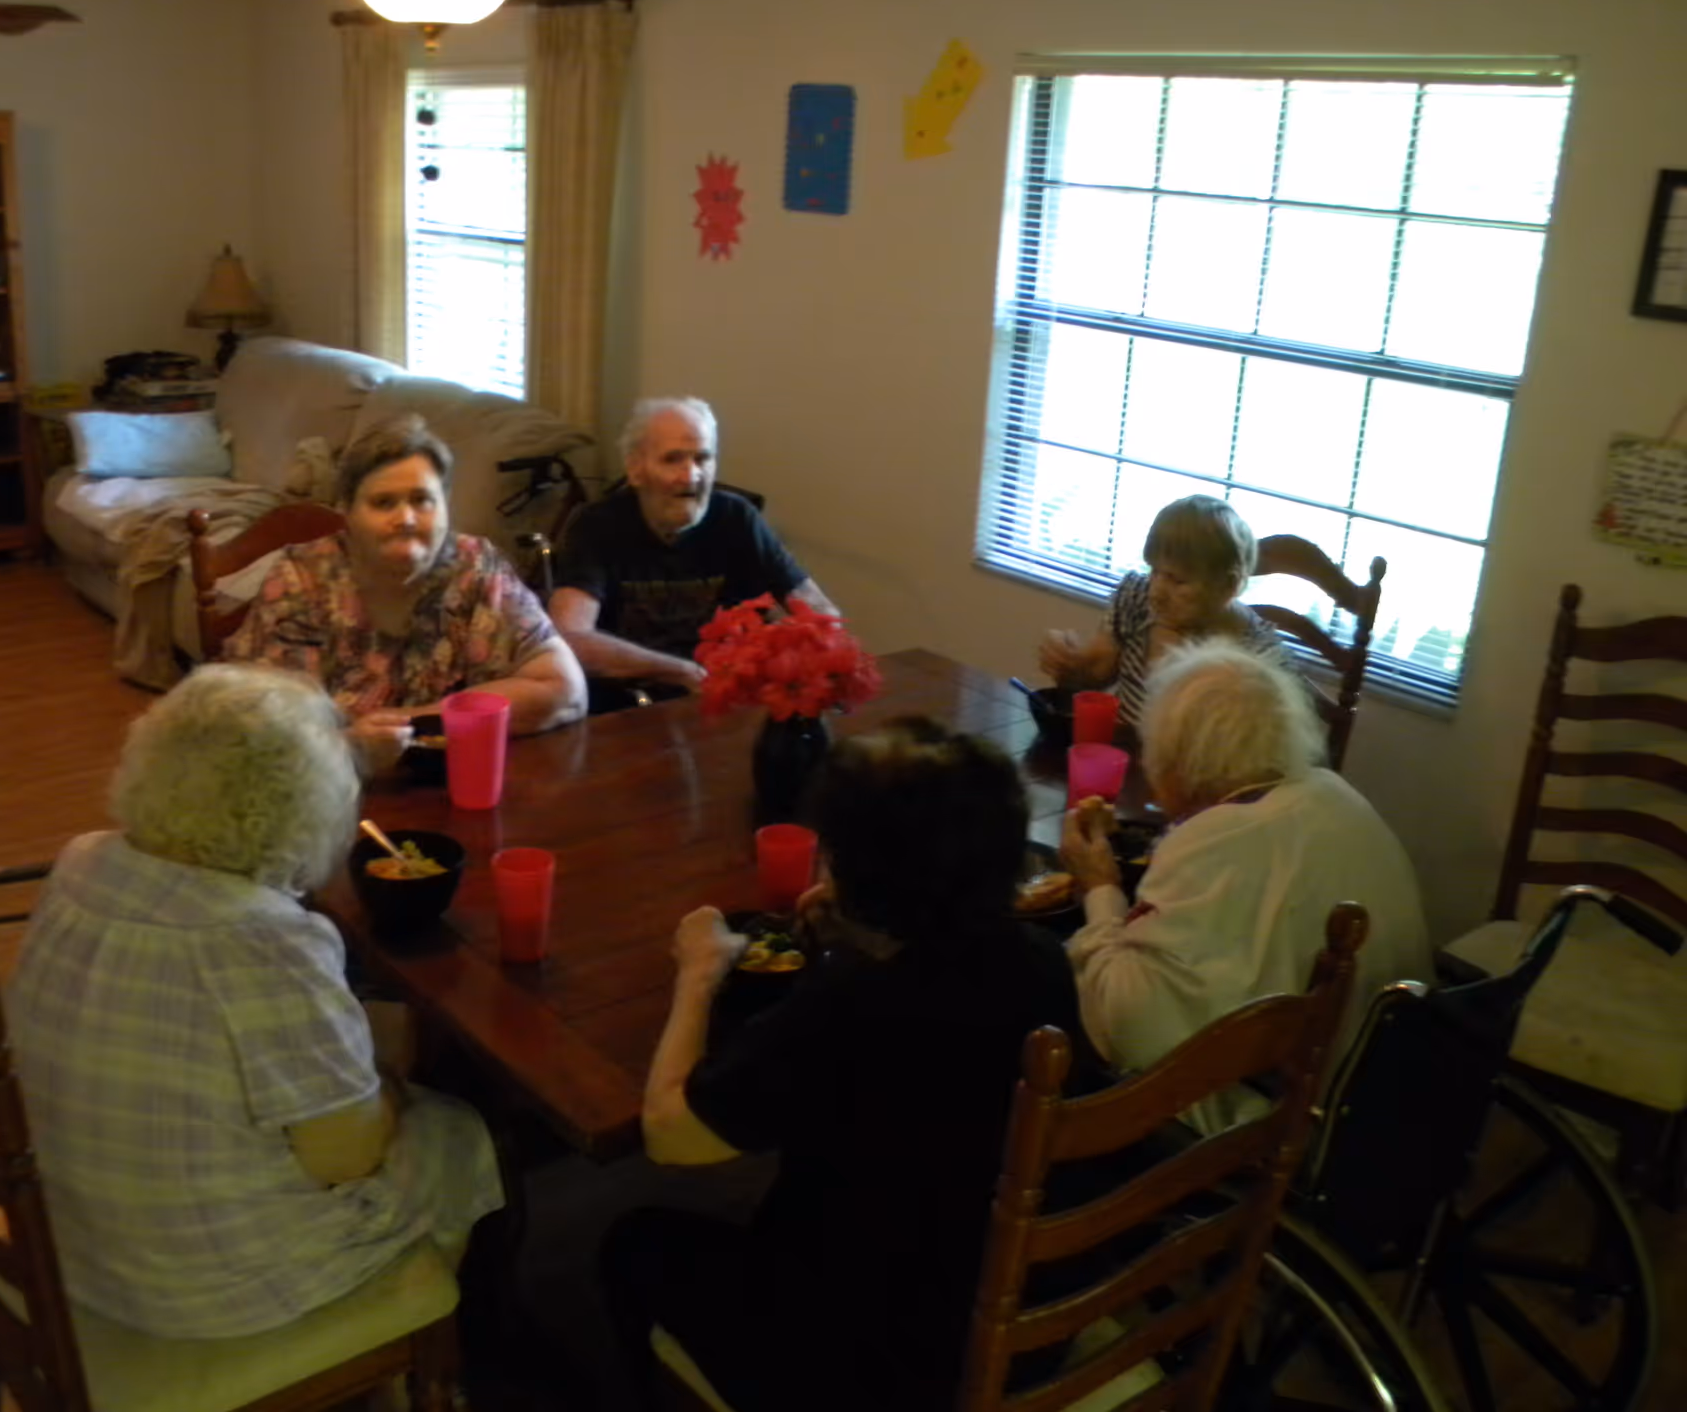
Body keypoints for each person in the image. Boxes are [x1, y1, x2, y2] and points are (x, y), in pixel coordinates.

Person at [600, 717, 1091, 1412]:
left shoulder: (854, 1002)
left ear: (861, 870)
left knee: (634, 1243)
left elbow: (669, 1132)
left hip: (883, 1368)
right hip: (1021, 1320)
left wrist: (699, 974)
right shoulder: (1040, 960)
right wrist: (863, 928)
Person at [5, 664, 505, 1339]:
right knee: (461, 1130)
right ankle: (415, 1346)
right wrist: (391, 1082)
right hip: (206, 1291)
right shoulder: (262, 939)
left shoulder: (80, 861)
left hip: (73, 1240)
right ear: (305, 811)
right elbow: (345, 1158)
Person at [1060, 641, 1431, 1134]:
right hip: (1397, 1102)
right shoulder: (1335, 794)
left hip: (1293, 1130)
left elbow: (1124, 1029)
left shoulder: (1217, 844)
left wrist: (1100, 889)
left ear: (1179, 765)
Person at [225, 414, 586, 767]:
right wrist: (350, 748)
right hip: (327, 794)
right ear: (347, 513)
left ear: (445, 507)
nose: (407, 518)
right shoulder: (300, 580)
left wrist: (409, 720)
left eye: (421, 499)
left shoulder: (477, 569)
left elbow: (565, 692)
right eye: (383, 503)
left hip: (454, 786)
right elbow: (254, 728)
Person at [548, 396, 839, 707]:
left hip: (729, 700)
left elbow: (819, 613)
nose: (690, 476)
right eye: (672, 459)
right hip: (629, 704)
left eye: (702, 458)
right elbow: (571, 637)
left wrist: (809, 660)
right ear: (636, 469)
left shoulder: (737, 519)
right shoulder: (597, 525)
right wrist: (680, 671)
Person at [1037, 494, 1282, 726]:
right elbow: (1095, 678)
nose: (1156, 592)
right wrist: (1071, 664)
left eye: (1178, 581)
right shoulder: (1136, 598)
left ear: (1228, 585)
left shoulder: (1257, 658)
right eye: (1154, 571)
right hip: (1123, 753)